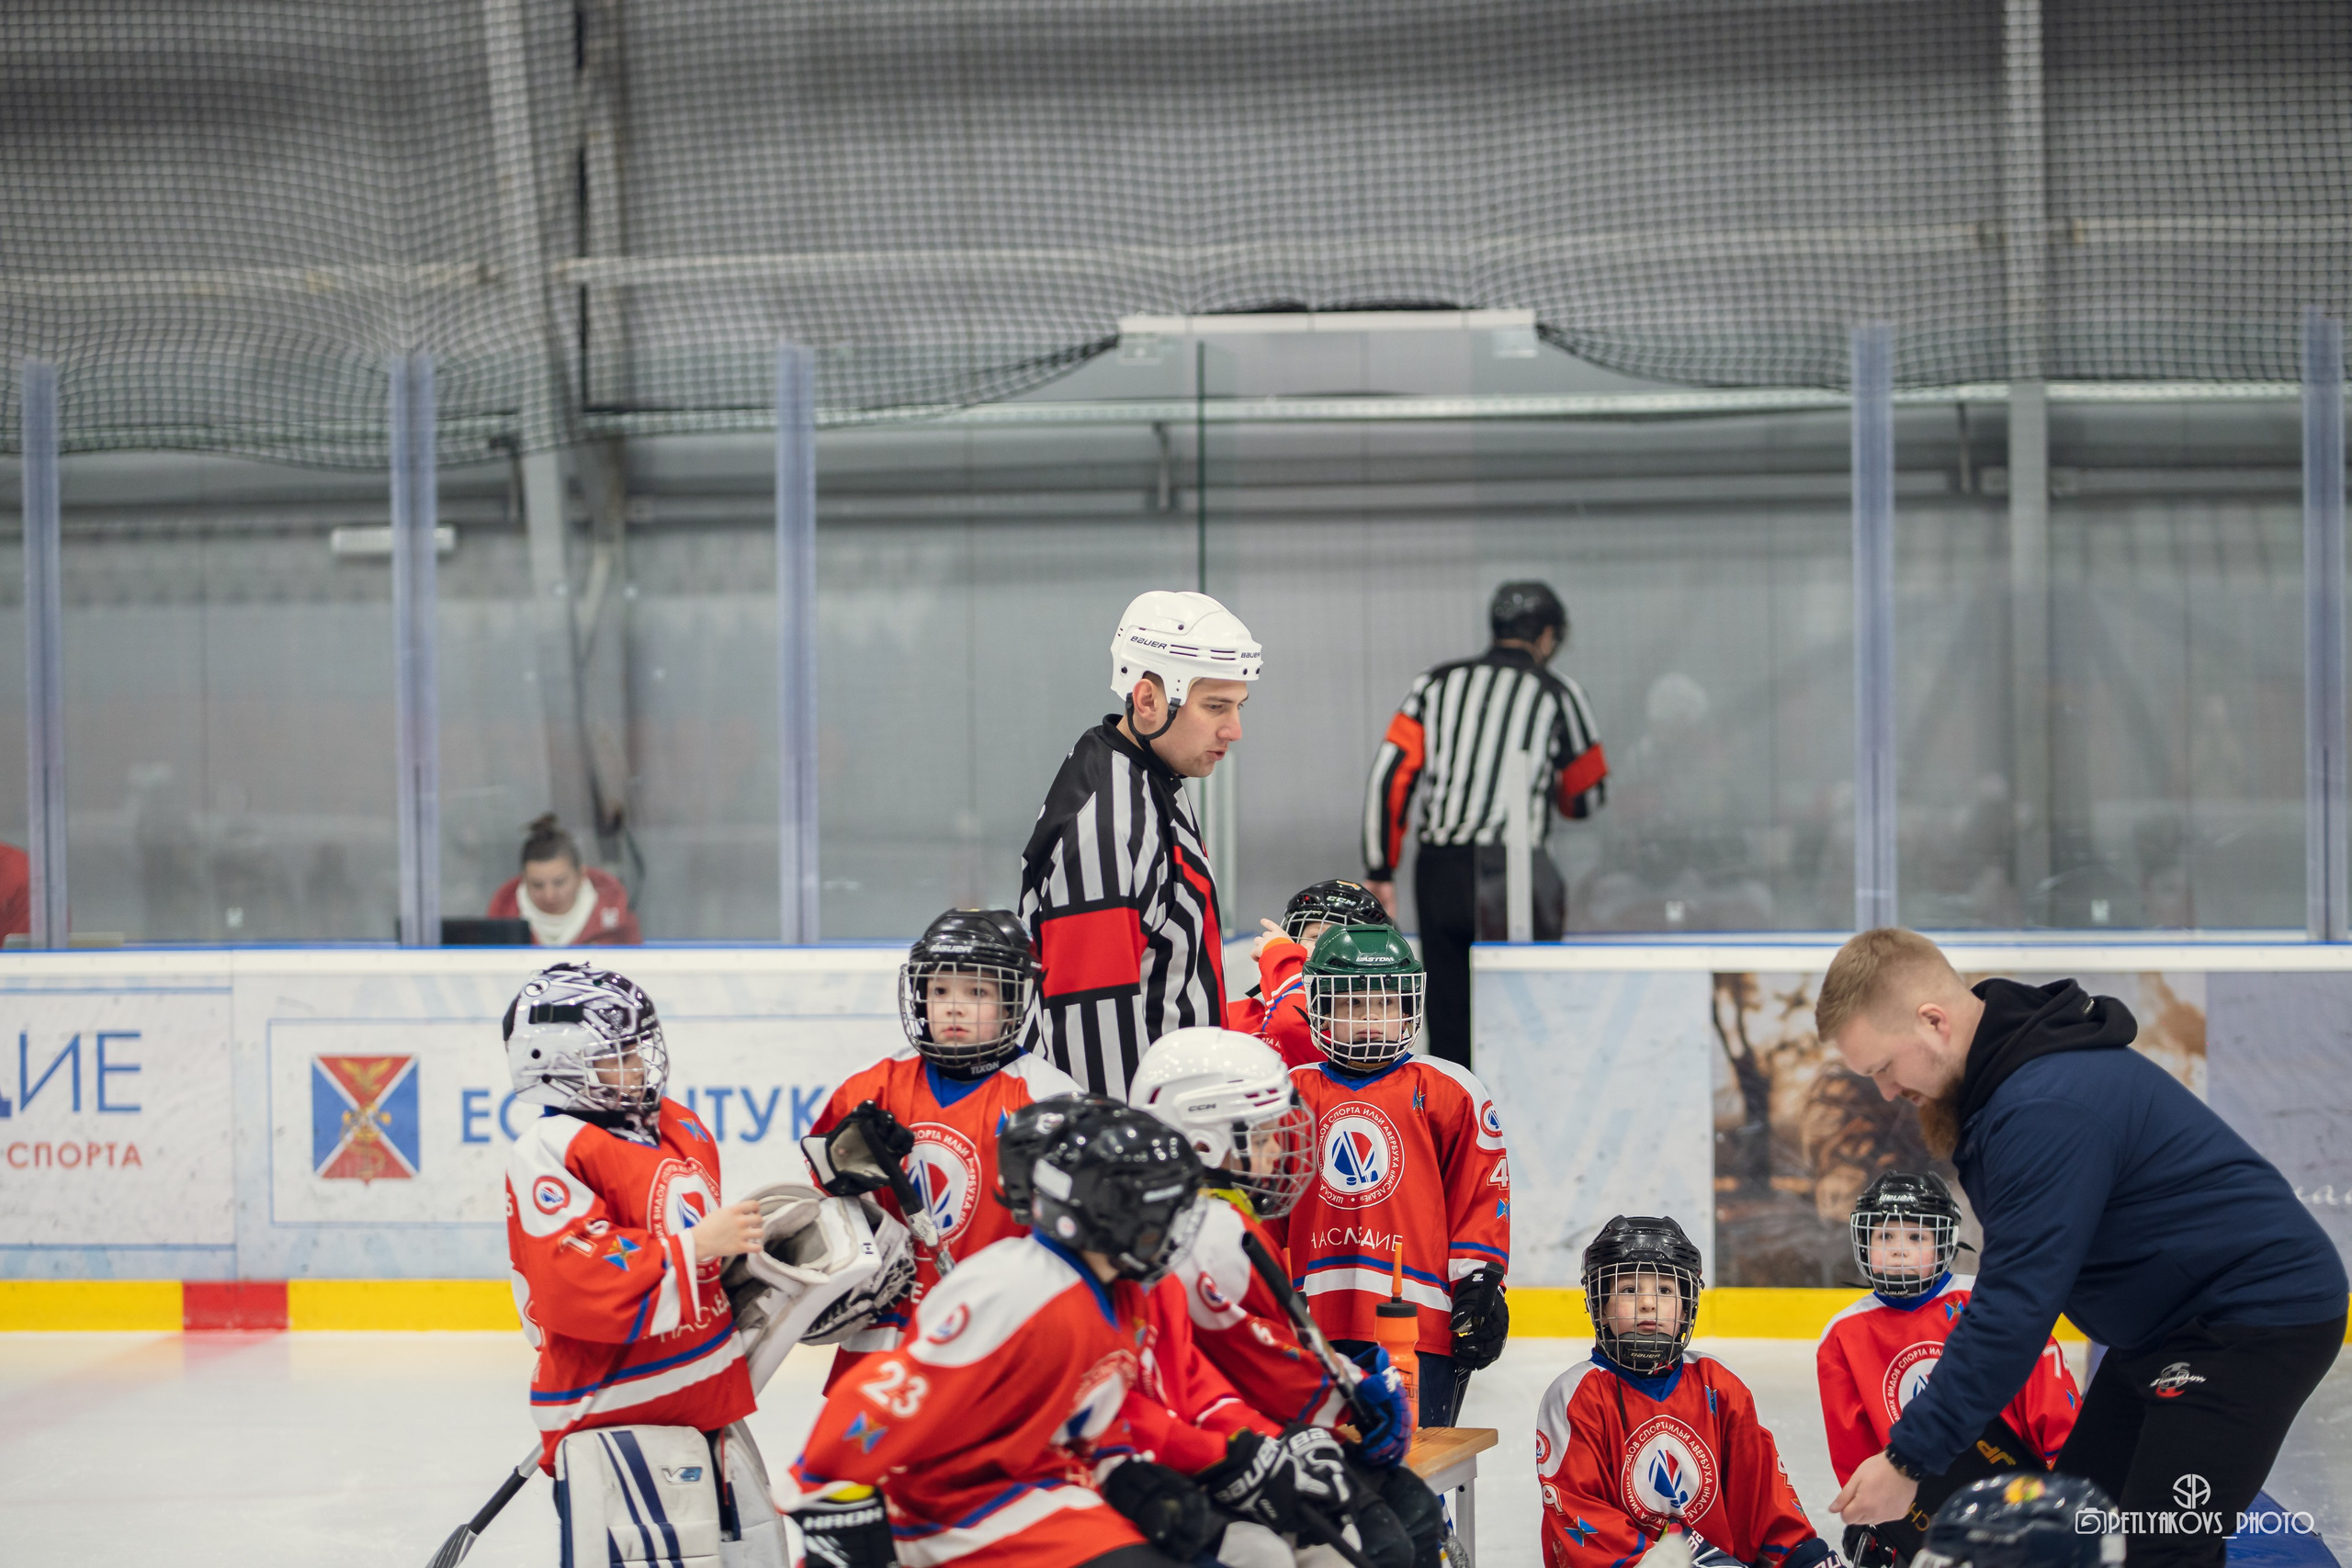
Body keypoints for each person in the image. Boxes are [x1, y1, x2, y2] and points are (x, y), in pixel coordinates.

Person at [1815, 928, 2348, 1568]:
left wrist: (1909, 1458)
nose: (1887, 1092)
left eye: (1882, 1066)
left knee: (2160, 1548)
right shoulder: (2006, 1083)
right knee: (2077, 1527)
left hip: (2250, 1320)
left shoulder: (2043, 1105)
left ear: (1934, 1022)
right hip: (2165, 1323)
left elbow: (2015, 1306)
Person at [786, 1100, 1372, 1568]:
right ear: (1095, 1213)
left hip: (1036, 1485)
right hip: (948, 1509)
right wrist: (828, 1495)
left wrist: (1137, 1476)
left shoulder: (1120, 1289)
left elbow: (1088, 1419)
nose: (1172, 1227)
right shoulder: (1014, 1289)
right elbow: (882, 1398)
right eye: (1154, 1209)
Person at [500, 962, 763, 1470]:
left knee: (748, 1545)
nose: (639, 1067)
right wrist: (698, 1246)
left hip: (705, 1392)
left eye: (636, 1049)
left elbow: (704, 1266)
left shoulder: (680, 1125)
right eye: (616, 1056)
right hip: (611, 1411)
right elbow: (579, 1278)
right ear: (555, 1065)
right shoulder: (549, 1149)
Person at [799, 908, 1080, 1363]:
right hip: (887, 1339)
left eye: (977, 991)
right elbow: (820, 1203)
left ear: (1012, 1004)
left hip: (999, 1333)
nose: (953, 1005)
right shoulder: (874, 1088)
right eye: (940, 989)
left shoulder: (1050, 1100)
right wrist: (845, 1174)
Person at [1021, 591, 1261, 1100]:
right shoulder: (1109, 826)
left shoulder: (1150, 776)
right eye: (1215, 706)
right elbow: (1090, 1031)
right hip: (1130, 1148)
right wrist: (1130, 1166)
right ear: (1148, 699)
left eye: (1238, 706)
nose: (1234, 729)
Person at [1359, 581, 1606, 1067]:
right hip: (1516, 868)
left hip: (1440, 869)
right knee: (1527, 1015)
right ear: (1549, 636)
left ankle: (1458, 1131)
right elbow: (1586, 796)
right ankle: (1517, 1132)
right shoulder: (1558, 691)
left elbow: (1390, 779)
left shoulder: (1435, 684)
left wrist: (1380, 870)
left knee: (1451, 1020)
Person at [1282, 923, 1510, 1427]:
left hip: (1418, 1326)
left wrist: (1479, 1285)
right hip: (1307, 1327)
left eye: (1384, 1004)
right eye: (1351, 1006)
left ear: (1409, 1008)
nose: (1369, 1021)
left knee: (1418, 1479)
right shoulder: (1286, 1093)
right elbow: (1265, 1211)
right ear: (1320, 1009)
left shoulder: (1450, 1089)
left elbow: (1479, 1195)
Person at [1535, 1215, 1838, 1568]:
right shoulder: (1574, 1396)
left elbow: (1760, 1491)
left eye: (1664, 1290)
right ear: (1600, 1306)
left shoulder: (1718, 1383)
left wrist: (1799, 1554)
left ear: (1686, 1305)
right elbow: (1577, 1510)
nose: (1648, 1304)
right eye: (1630, 1290)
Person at [1818, 1171, 2080, 1568]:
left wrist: (2068, 1479)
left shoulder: (1986, 1301)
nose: (1899, 1250)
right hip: (1918, 1504)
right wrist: (1878, 1520)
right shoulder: (1841, 1334)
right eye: (1884, 1236)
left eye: (1916, 1237)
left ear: (1944, 1240)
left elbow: (2046, 1395)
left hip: (2017, 1489)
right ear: (1863, 1240)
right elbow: (1854, 1448)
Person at [1227, 880, 1389, 1068]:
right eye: (1314, 937)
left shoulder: (1369, 1025)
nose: (1323, 948)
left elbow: (1296, 1026)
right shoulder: (1241, 1016)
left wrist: (1278, 954)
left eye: (1338, 941)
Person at [488, 812, 640, 946]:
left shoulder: (619, 919)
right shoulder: (501, 917)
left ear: (581, 876)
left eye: (559, 882)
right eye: (537, 885)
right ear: (524, 881)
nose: (549, 895)